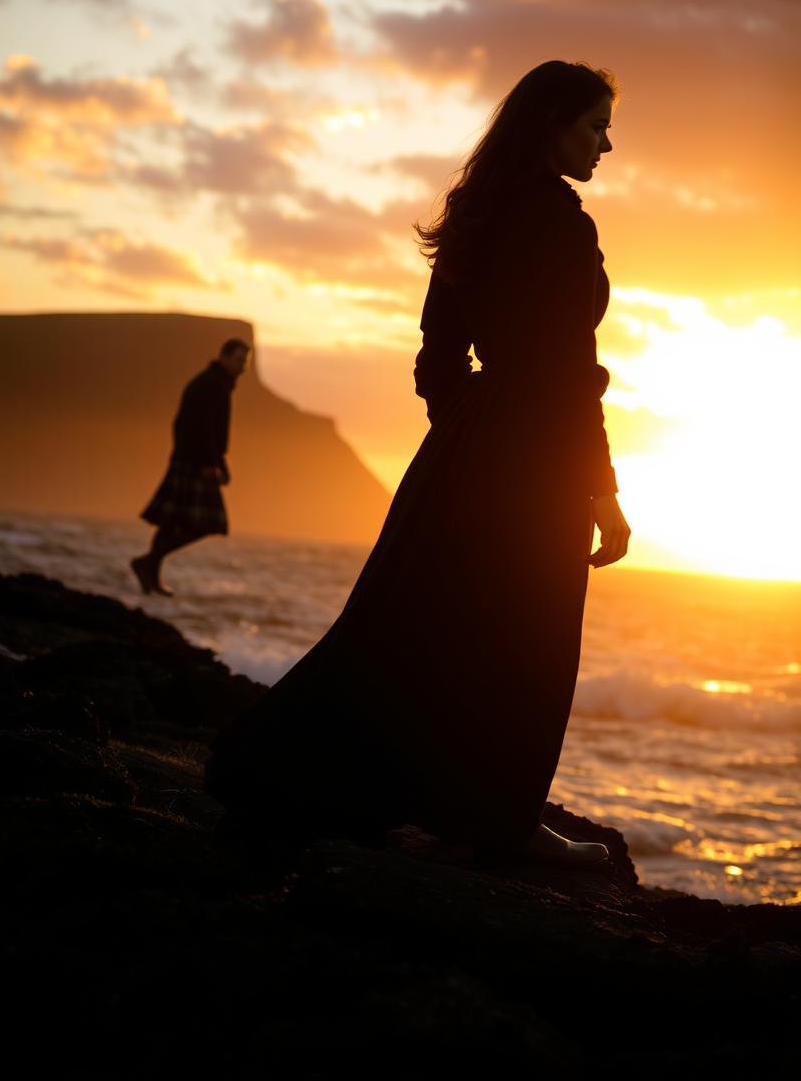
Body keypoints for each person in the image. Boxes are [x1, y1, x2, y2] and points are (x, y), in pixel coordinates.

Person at [205, 61, 630, 868]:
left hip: (461, 456)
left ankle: (321, 782)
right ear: (549, 127)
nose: (606, 146)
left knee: (417, 629)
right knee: (525, 646)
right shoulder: (565, 228)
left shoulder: (474, 216)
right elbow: (574, 375)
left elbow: (437, 360)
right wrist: (602, 490)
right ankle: (500, 825)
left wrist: (469, 427)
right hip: (541, 459)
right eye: (594, 127)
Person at [132, 338, 250, 596]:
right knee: (209, 523)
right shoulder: (212, 384)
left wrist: (221, 463)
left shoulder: (215, 383)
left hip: (188, 459)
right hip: (194, 462)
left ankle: (151, 573)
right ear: (225, 357)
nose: (243, 368)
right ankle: (147, 563)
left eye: (245, 362)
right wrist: (209, 463)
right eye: (239, 361)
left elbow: (197, 427)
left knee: (172, 521)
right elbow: (202, 427)